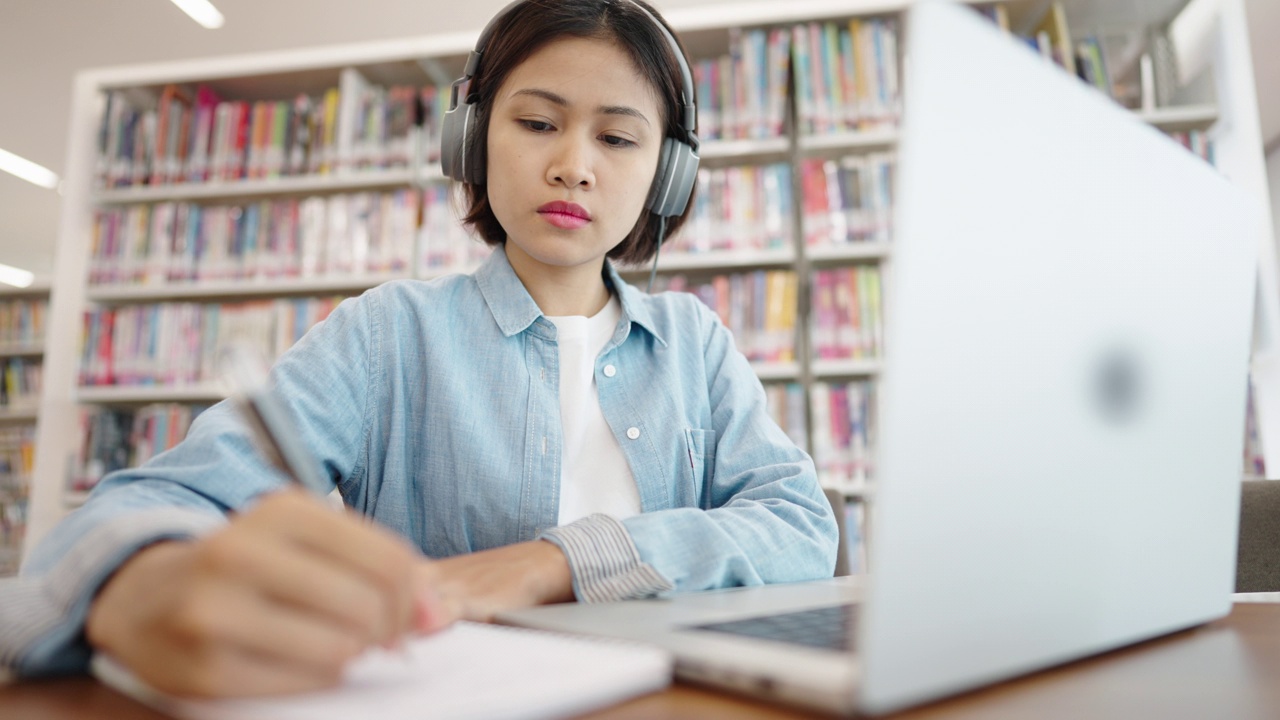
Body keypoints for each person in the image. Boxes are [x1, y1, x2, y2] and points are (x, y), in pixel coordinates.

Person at [0, 0, 837, 697]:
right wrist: (137, 582)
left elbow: (800, 526)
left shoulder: (697, 344)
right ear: (470, 139)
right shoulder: (387, 334)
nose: (574, 166)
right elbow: (139, 505)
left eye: (617, 139)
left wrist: (562, 560)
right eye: (539, 122)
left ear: (668, 176)